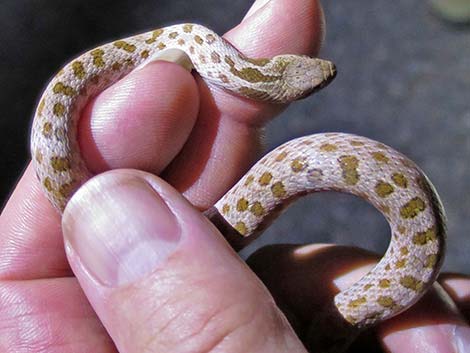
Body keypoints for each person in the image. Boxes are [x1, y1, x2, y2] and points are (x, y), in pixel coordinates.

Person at [1, 0, 469, 351]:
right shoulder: (197, 44)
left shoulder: (193, 38)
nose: (326, 74)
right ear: (275, 72)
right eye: (317, 82)